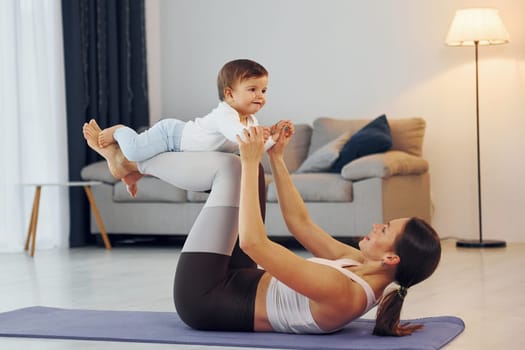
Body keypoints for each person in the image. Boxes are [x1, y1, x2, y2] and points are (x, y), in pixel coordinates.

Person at [83, 121, 441, 336]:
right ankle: (131, 167)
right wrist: (274, 160)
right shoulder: (361, 266)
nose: (377, 225)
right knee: (247, 171)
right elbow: (301, 224)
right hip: (238, 278)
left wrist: (250, 158)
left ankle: (132, 162)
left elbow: (255, 243)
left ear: (391, 256)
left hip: (206, 297)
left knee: (231, 169)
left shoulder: (342, 291)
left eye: (385, 229)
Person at [91, 58, 284, 197]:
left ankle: (132, 174)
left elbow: (253, 151)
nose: (260, 96)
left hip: (182, 150)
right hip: (170, 135)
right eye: (253, 90)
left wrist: (272, 139)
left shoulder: (251, 121)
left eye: (264, 90)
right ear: (229, 94)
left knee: (149, 161)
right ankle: (120, 131)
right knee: (133, 152)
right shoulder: (225, 114)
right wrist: (258, 135)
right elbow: (238, 136)